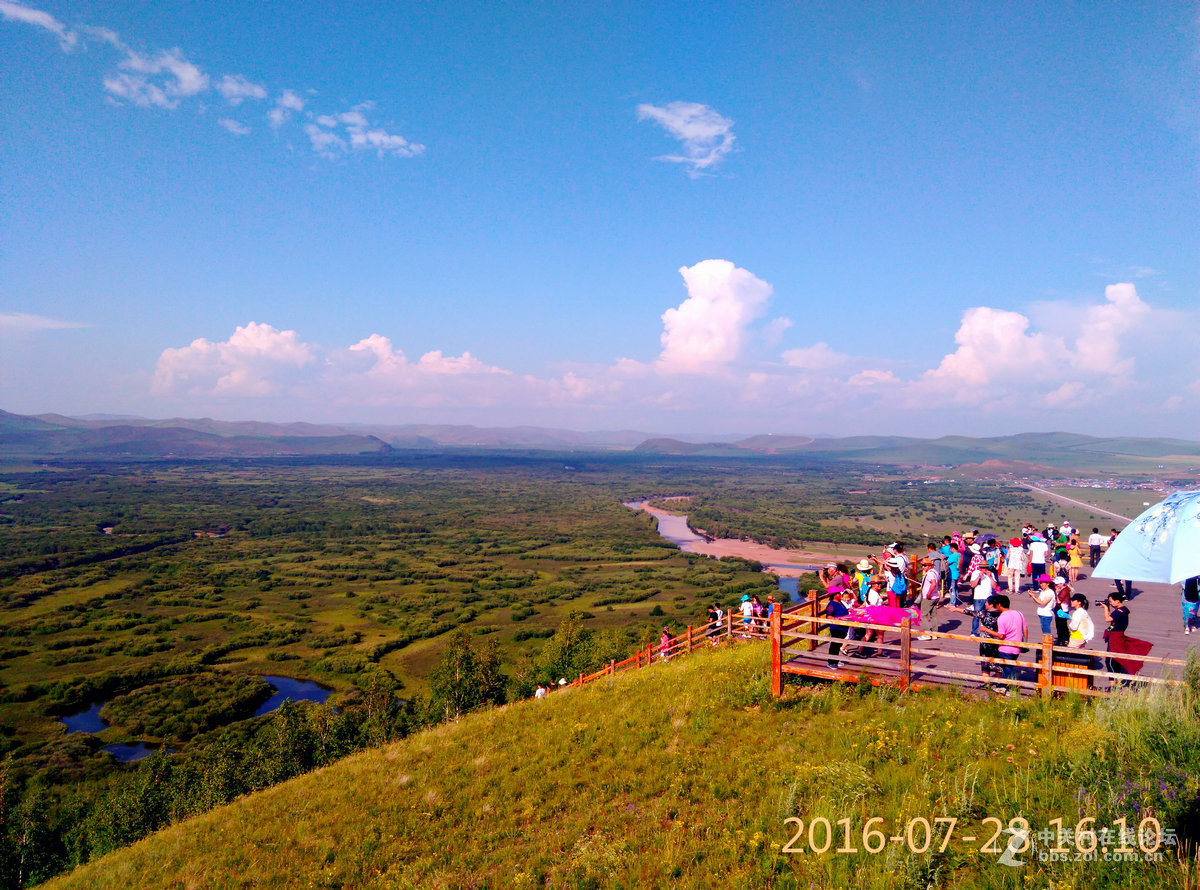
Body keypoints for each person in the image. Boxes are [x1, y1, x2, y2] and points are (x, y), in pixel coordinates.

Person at [978, 594, 1027, 695]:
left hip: (1006, 648)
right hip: (1017, 647)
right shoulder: (1019, 613)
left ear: (1000, 605)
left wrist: (986, 629)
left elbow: (1001, 635)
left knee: (1008, 669)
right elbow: (1025, 629)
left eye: (996, 604)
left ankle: (1013, 689)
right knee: (1008, 668)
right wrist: (1024, 643)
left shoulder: (1001, 618)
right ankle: (1002, 687)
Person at [824, 588, 850, 668]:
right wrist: (837, 619)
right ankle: (831, 662)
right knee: (834, 645)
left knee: (838, 645)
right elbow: (829, 616)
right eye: (838, 593)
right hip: (836, 627)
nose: (840, 594)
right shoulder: (831, 604)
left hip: (843, 627)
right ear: (834, 596)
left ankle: (836, 661)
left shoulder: (840, 602)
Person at [917, 552, 940, 639]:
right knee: (933, 615)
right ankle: (934, 633)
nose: (923, 567)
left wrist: (928, 593)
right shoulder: (935, 572)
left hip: (929, 597)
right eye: (922, 565)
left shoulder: (930, 573)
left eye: (925, 565)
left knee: (923, 615)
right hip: (935, 596)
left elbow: (933, 584)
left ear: (930, 566)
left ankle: (926, 634)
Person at [1027, 574, 1056, 639]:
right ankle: (1047, 642)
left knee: (1046, 633)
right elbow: (1038, 600)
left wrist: (1034, 597)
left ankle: (1048, 643)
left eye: (1042, 583)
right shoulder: (1043, 591)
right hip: (1042, 615)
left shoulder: (1050, 592)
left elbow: (1043, 603)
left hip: (1046, 615)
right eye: (1040, 583)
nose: (1041, 584)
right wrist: (1033, 595)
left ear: (1047, 583)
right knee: (1044, 631)